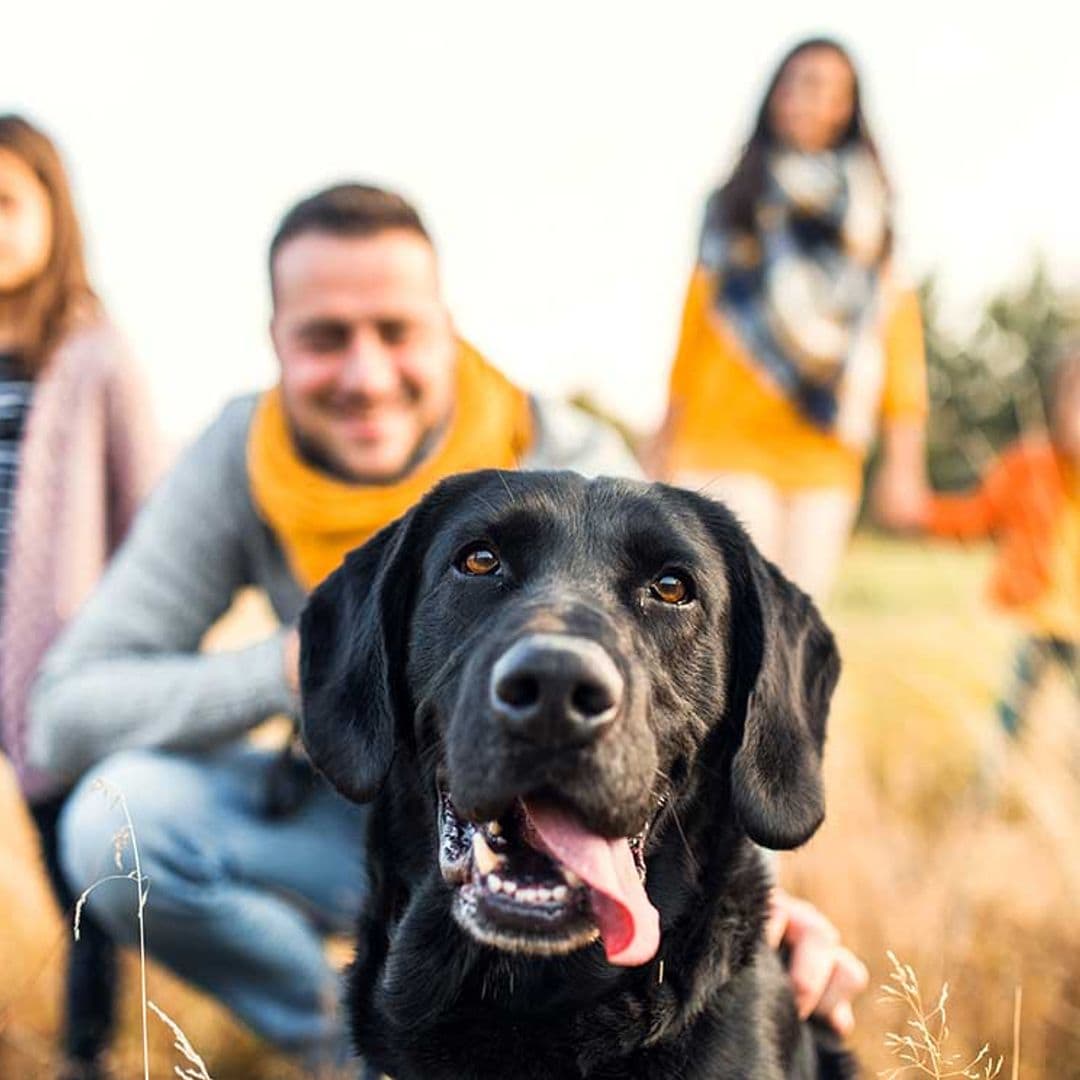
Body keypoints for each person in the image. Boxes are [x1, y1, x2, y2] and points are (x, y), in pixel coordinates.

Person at [31, 183, 866, 1071]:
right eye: (325, 337)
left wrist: (760, 907)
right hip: (368, 791)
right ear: (276, 343)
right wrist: (303, 668)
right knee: (116, 816)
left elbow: (689, 696)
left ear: (446, 327)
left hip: (595, 806)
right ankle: (348, 1042)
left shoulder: (575, 456)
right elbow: (66, 710)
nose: (365, 374)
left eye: (395, 331)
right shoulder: (239, 458)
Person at [650, 37, 928, 599]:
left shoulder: (874, 219)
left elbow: (897, 339)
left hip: (824, 453)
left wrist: (905, 463)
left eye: (830, 89)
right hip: (722, 440)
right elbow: (696, 326)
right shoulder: (734, 203)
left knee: (794, 623)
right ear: (775, 95)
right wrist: (662, 437)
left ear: (849, 108)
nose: (811, 98)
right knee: (727, 608)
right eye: (800, 81)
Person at [0, 114, 160, 1077]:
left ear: (56, 213)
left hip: (60, 666)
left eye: (9, 202)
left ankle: (86, 1051)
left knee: (82, 872)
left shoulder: (94, 352)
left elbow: (151, 517)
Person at [919, 347, 1080, 736]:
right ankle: (990, 787)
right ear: (1057, 402)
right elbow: (976, 516)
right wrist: (923, 512)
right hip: (1031, 618)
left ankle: (1061, 790)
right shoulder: (1027, 466)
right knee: (1008, 720)